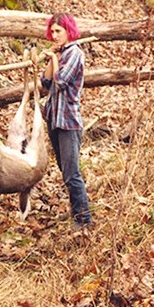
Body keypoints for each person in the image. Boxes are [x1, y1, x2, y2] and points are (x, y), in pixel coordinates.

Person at [41, 13, 92, 227]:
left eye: (58, 31)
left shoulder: (74, 54)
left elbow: (61, 81)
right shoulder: (61, 53)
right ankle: (76, 212)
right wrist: (53, 58)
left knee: (72, 173)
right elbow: (45, 81)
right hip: (55, 119)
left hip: (69, 121)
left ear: (68, 31)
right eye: (52, 32)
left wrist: (53, 58)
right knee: (65, 170)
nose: (54, 36)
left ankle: (84, 220)